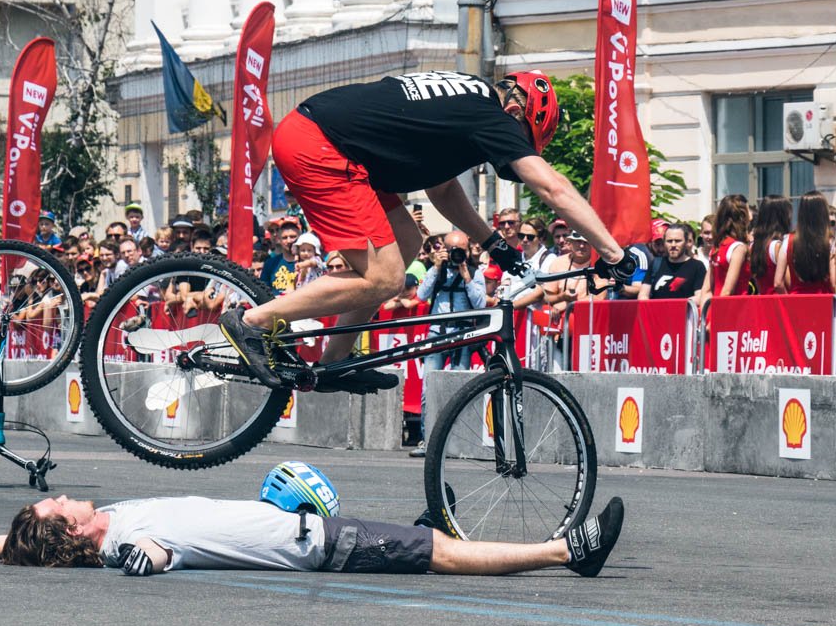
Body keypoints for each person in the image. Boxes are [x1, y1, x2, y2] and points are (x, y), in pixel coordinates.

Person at [218, 70, 635, 390]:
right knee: (385, 277)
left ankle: (333, 365)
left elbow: (442, 189)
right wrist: (615, 254)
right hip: (318, 145)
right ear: (515, 113)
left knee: (409, 241)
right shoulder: (491, 115)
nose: (510, 152)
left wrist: (492, 242)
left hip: (332, 141)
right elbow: (553, 188)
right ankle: (253, 321)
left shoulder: (465, 101)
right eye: (519, 140)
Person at [0, 494, 624, 579]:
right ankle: (565, 551)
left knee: (428, 540)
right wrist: (150, 559)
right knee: (438, 556)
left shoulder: (103, 515)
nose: (55, 493)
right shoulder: (114, 542)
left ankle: (434, 529)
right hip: (316, 544)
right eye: (51, 503)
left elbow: (10, 545)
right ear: (68, 528)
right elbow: (161, 554)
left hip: (315, 529)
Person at [412, 230, 487, 457]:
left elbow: (480, 303)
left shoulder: (474, 272)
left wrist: (466, 275)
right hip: (437, 333)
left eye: (460, 251)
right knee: (429, 390)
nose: (456, 255)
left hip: (462, 335)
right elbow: (421, 295)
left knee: (459, 390)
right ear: (442, 248)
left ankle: (457, 443)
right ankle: (427, 441)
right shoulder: (437, 270)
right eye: (451, 250)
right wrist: (435, 267)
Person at [774, 191, 835, 295]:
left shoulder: (788, 241)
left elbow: (778, 283)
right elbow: (834, 282)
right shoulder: (830, 242)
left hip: (797, 302)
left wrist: (788, 300)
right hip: (824, 301)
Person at [697, 195, 751, 304]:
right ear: (742, 216)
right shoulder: (738, 248)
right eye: (748, 209)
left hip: (716, 310)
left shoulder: (717, 247)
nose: (751, 215)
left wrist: (706, 317)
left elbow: (706, 290)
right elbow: (727, 291)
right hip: (735, 312)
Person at [638, 223, 706, 299]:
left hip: (684, 310)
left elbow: (700, 296)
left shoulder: (697, 266)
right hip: (657, 310)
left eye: (678, 241)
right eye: (669, 241)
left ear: (686, 242)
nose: (673, 245)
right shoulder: (656, 263)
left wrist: (676, 305)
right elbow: (643, 294)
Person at [748, 195, 791, 296]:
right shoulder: (777, 247)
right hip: (779, 303)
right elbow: (788, 282)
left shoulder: (754, 246)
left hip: (764, 301)